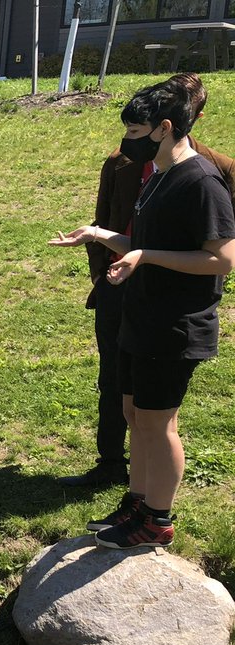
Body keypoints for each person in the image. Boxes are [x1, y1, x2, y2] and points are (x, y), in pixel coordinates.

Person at [50, 78, 235, 549]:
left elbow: (221, 258)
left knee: (158, 422)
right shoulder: (159, 174)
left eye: (135, 131)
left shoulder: (201, 182)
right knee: (134, 412)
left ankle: (158, 519)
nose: (126, 141)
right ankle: (137, 502)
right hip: (143, 316)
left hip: (175, 325)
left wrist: (146, 258)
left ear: (165, 128)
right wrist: (98, 234)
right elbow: (144, 245)